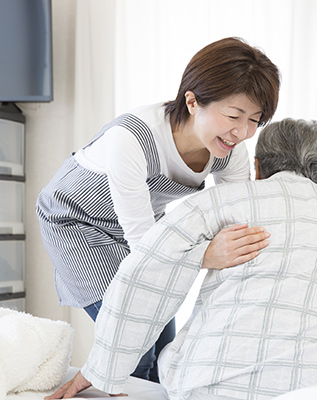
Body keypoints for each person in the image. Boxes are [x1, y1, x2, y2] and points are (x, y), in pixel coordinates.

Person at [47, 118, 317, 400]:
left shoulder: (221, 201)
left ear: (257, 167)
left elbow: (144, 274)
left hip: (210, 382)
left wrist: (98, 371)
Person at [35, 37, 280, 383]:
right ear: (192, 101)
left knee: (166, 351)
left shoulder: (229, 150)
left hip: (143, 227)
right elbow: (145, 247)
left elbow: (240, 221)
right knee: (135, 343)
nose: (242, 132)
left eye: (255, 120)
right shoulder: (131, 138)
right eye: (233, 115)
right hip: (76, 222)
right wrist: (203, 255)